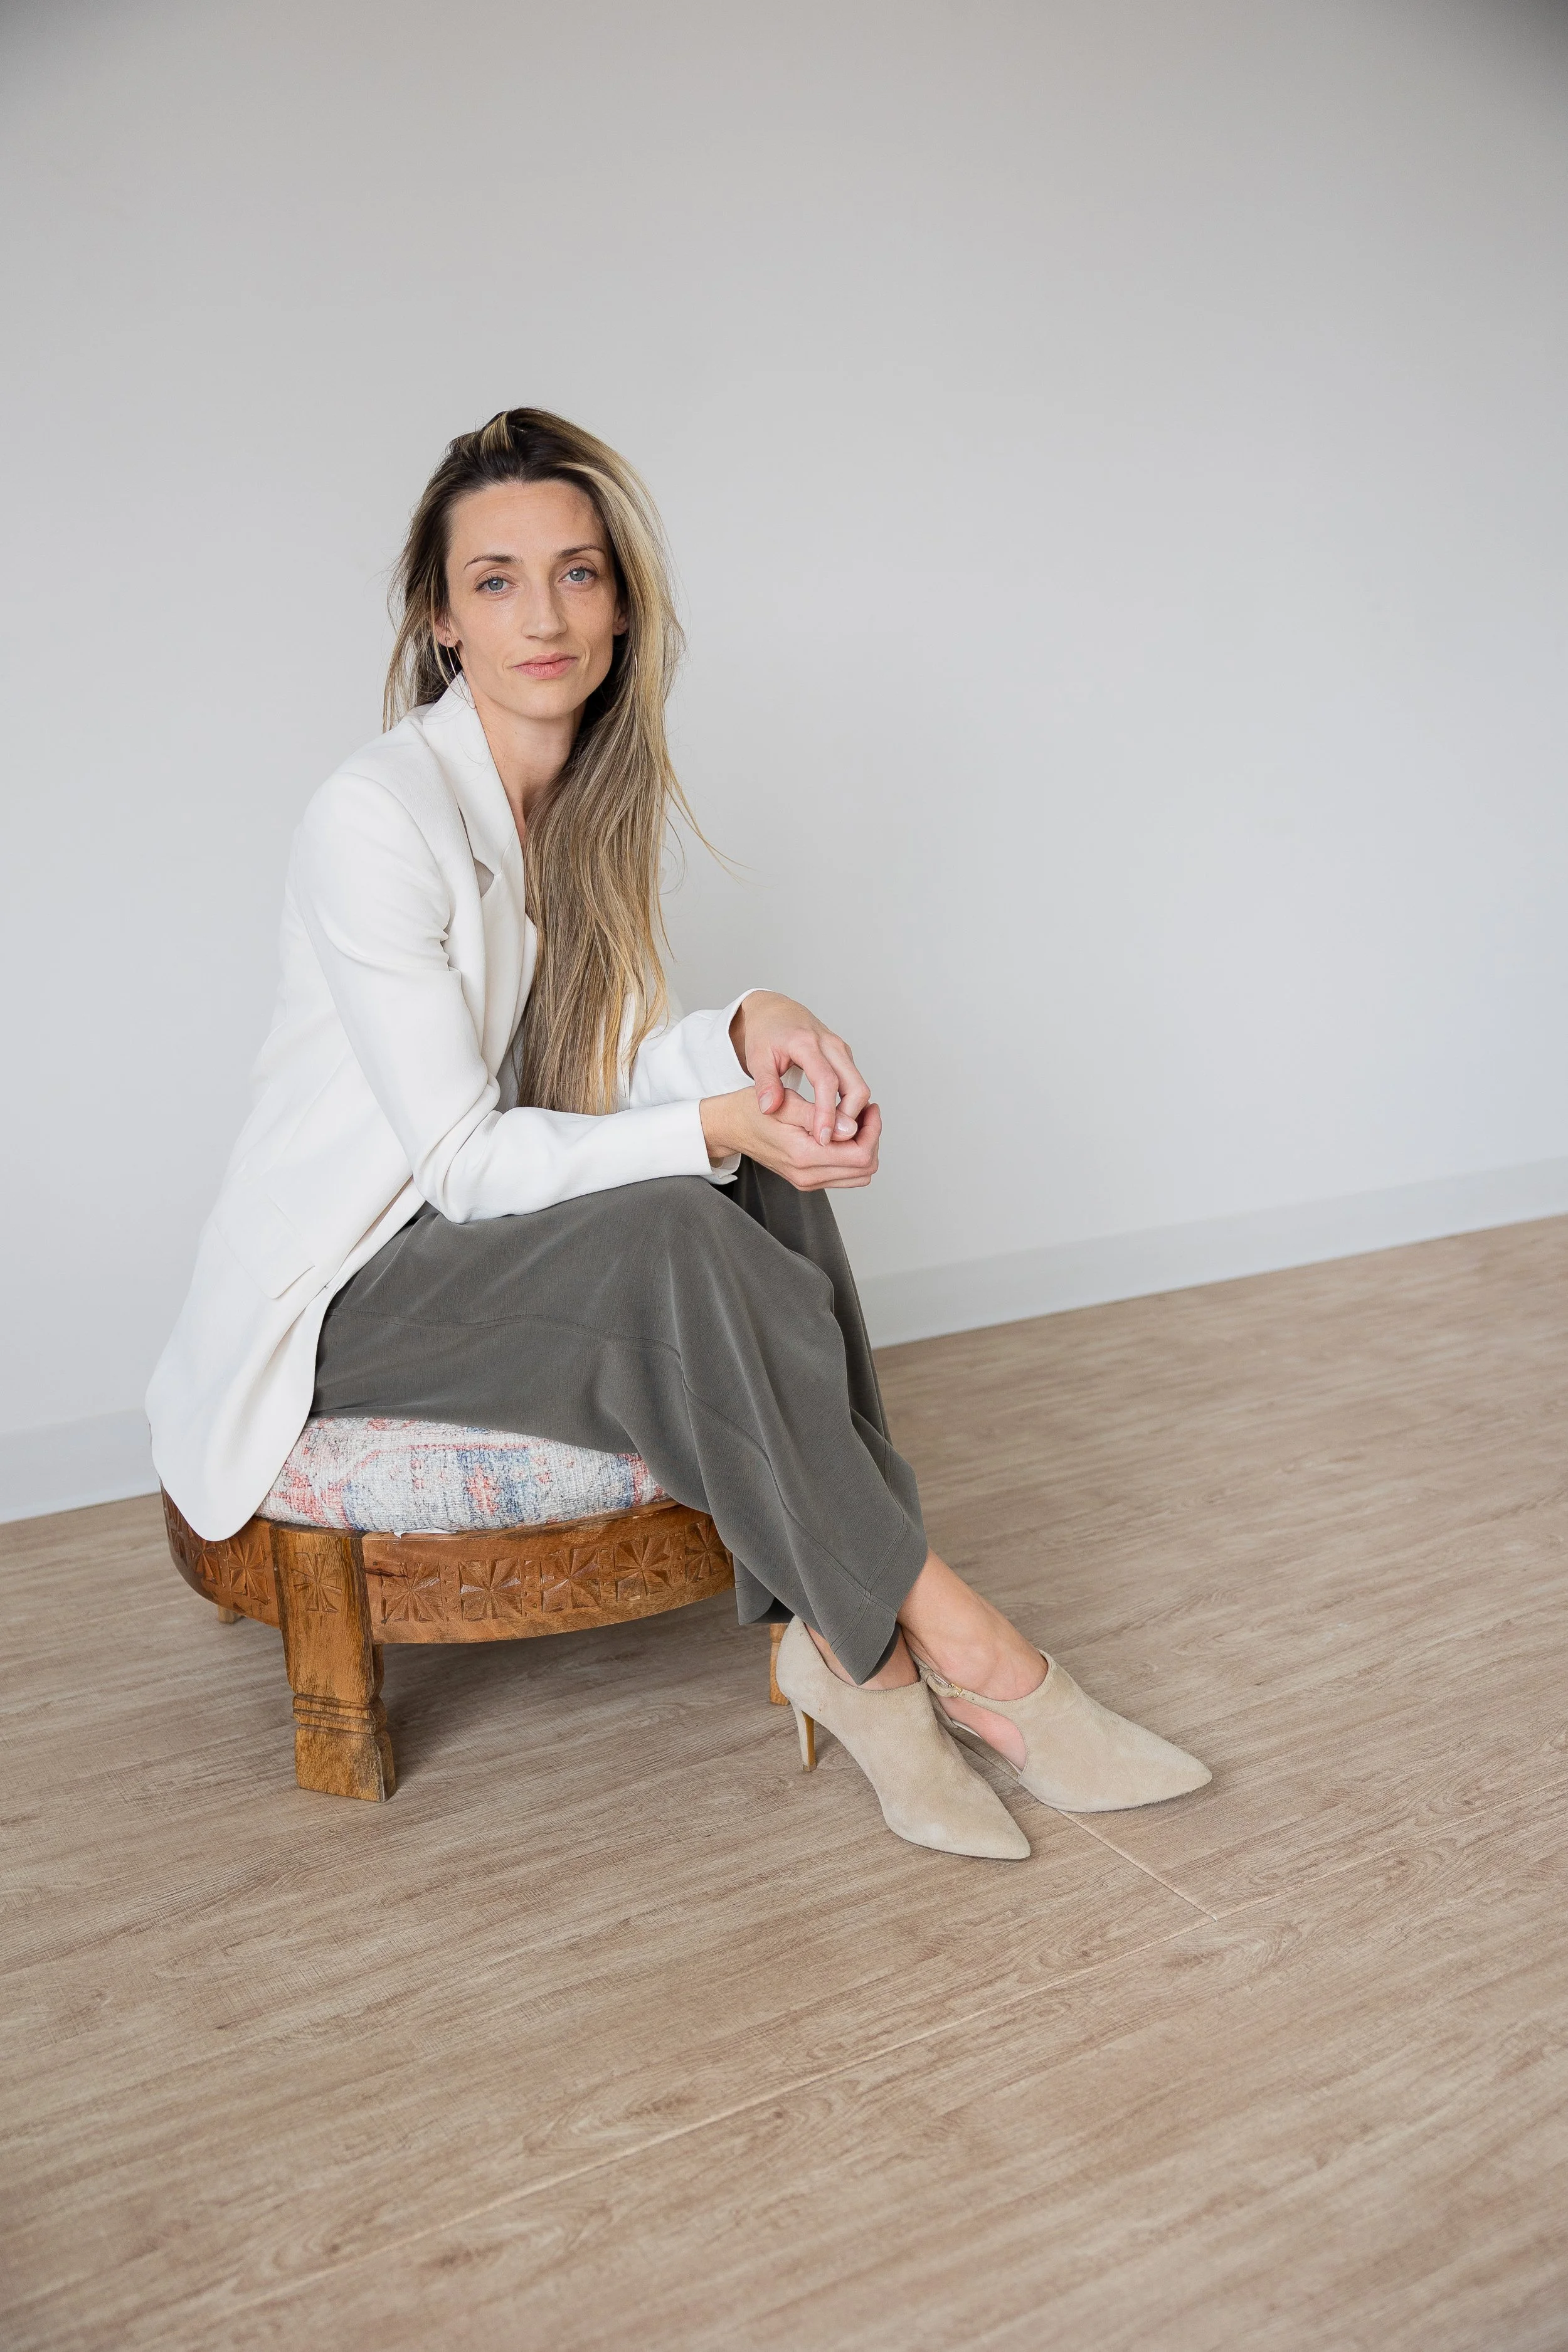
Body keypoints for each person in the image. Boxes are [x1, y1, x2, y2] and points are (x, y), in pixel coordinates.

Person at [148, 406, 1209, 1861]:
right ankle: (970, 1659)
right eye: (498, 579)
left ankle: (853, 1664)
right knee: (674, 1205)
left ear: (623, 600)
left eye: (577, 574)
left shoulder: (585, 799)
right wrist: (709, 1121)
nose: (544, 615)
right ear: (440, 618)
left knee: (756, 1173)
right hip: (345, 1292)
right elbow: (464, 1160)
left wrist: (750, 1037)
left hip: (472, 1249)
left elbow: (602, 1067)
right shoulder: (374, 817)